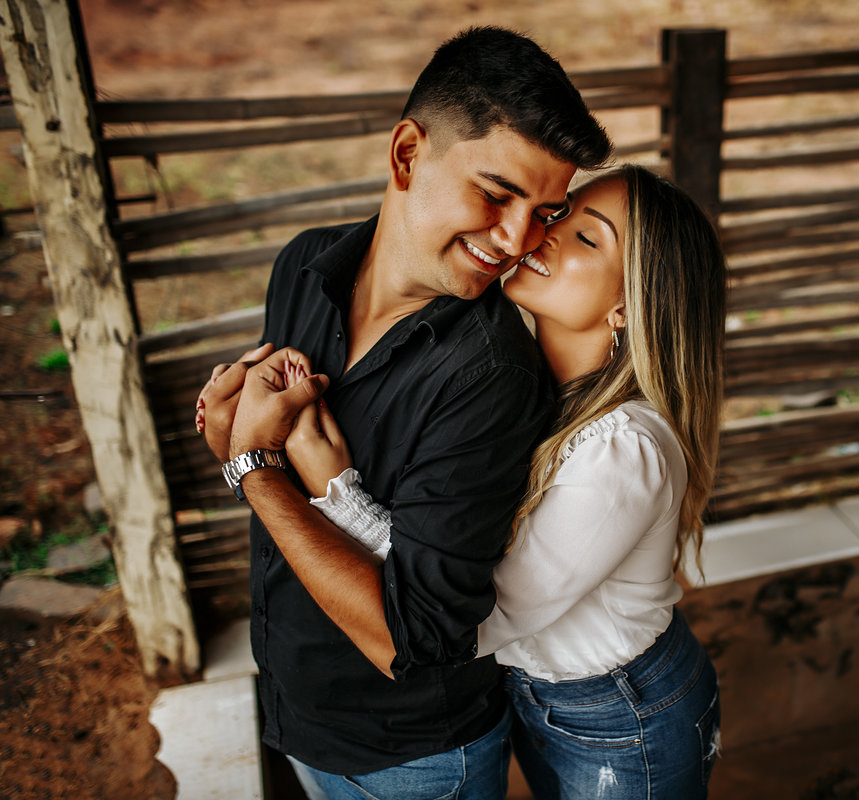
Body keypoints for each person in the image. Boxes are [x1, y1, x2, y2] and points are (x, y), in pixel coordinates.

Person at [194, 27, 612, 800]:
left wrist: (251, 468)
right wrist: (237, 434)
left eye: (545, 212)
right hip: (293, 705)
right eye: (497, 193)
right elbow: (266, 452)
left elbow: (412, 640)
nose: (516, 240)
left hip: (414, 761)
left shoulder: (490, 377)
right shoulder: (303, 264)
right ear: (407, 154)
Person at [283, 164, 727, 799]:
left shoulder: (623, 448)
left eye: (587, 238)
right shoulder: (534, 390)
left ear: (627, 307)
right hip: (538, 697)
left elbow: (476, 616)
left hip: (621, 715)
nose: (542, 236)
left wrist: (335, 489)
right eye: (559, 217)